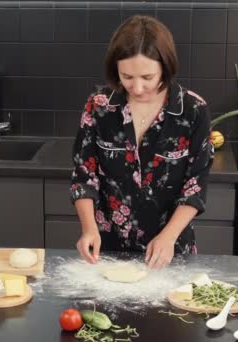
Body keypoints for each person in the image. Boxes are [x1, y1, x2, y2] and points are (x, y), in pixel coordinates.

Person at [69, 15, 214, 269]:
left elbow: (195, 186)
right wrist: (89, 229)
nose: (136, 88)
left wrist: (168, 238)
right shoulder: (99, 106)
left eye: (147, 77)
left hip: (170, 252)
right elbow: (84, 174)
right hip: (108, 252)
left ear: (165, 68)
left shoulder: (193, 111)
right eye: (126, 76)